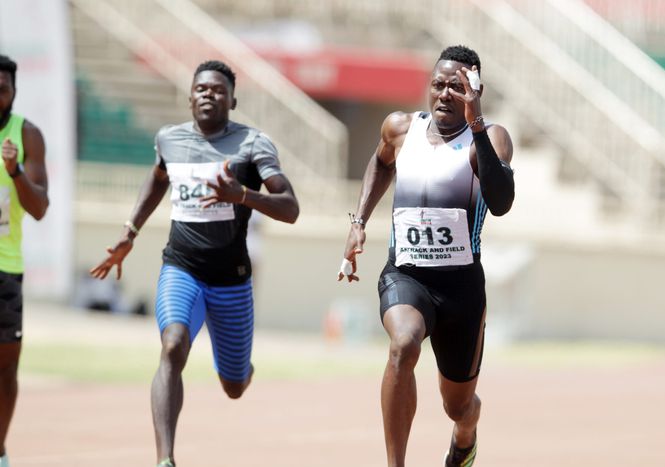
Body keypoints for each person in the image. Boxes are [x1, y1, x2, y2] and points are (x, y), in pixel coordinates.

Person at [90, 60, 299, 467]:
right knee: (172, 346)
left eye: (219, 90)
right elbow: (157, 178)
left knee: (234, 386)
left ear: (232, 101)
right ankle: (165, 459)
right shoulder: (169, 139)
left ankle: (242, 369)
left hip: (231, 280)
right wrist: (130, 231)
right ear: (189, 97)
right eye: (201, 88)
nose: (209, 94)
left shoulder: (253, 144)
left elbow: (290, 207)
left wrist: (242, 195)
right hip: (181, 269)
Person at [338, 45, 514, 467]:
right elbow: (381, 163)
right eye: (438, 84)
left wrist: (476, 123)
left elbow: (501, 201)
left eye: (457, 87)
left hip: (460, 288)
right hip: (407, 274)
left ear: (475, 90)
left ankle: (466, 435)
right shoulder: (401, 128)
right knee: (403, 344)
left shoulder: (491, 137)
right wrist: (359, 221)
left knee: (458, 406)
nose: (445, 94)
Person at [0, 54, 50, 467]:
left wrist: (15, 171)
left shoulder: (27, 135)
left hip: (5, 267)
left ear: (14, 92)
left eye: (2, 88)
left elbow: (39, 209)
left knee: (5, 370)